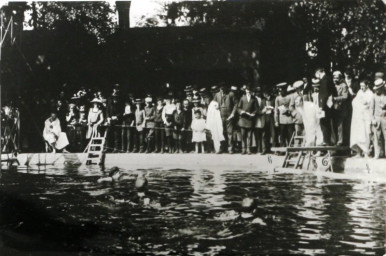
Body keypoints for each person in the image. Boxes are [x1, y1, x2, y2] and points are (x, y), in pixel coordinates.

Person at [350, 80, 374, 158]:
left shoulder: (370, 94)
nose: (361, 88)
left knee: (366, 134)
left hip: (366, 117)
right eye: (360, 86)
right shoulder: (360, 92)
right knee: (357, 134)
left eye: (363, 86)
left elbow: (369, 106)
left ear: (367, 85)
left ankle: (366, 152)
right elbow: (354, 102)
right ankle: (359, 152)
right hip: (358, 118)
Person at [315, 67, 337, 145]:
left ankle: (327, 142)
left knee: (324, 124)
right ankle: (328, 142)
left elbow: (324, 95)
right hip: (328, 106)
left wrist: (321, 107)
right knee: (326, 124)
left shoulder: (324, 80)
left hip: (325, 107)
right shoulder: (328, 79)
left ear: (318, 72)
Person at [213, 84, 237, 153]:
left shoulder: (231, 94)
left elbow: (236, 104)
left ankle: (230, 148)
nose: (222, 90)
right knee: (221, 132)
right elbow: (213, 103)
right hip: (220, 117)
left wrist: (233, 114)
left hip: (229, 116)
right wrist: (215, 107)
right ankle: (222, 147)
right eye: (221, 88)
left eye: (224, 88)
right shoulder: (217, 95)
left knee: (230, 132)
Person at [237, 85, 258, 154]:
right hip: (243, 119)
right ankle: (243, 149)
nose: (248, 92)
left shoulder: (254, 99)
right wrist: (241, 112)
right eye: (247, 90)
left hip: (250, 119)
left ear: (251, 91)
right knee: (243, 135)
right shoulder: (242, 98)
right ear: (245, 91)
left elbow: (256, 109)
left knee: (249, 136)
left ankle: (249, 149)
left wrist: (253, 114)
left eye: (249, 91)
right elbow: (238, 108)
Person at [332, 71, 350, 146]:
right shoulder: (333, 85)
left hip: (341, 108)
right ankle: (335, 140)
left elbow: (345, 96)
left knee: (340, 126)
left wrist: (335, 99)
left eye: (337, 78)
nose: (335, 79)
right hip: (333, 108)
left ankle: (341, 141)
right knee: (334, 125)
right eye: (334, 78)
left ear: (340, 78)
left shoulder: (344, 85)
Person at [274, 82, 293, 147]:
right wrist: (276, 121)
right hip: (281, 120)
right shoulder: (277, 98)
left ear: (285, 90)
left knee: (290, 136)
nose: (281, 92)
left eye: (282, 90)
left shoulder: (290, 97)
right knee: (282, 136)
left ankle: (291, 150)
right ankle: (282, 149)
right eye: (280, 91)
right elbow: (276, 110)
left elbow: (292, 106)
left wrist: (289, 110)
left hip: (289, 119)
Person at [372, 79, 386, 159]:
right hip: (376, 119)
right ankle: (377, 154)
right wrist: (372, 119)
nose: (376, 90)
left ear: (382, 88)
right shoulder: (374, 96)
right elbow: (371, 109)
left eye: (378, 89)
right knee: (377, 138)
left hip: (385, 118)